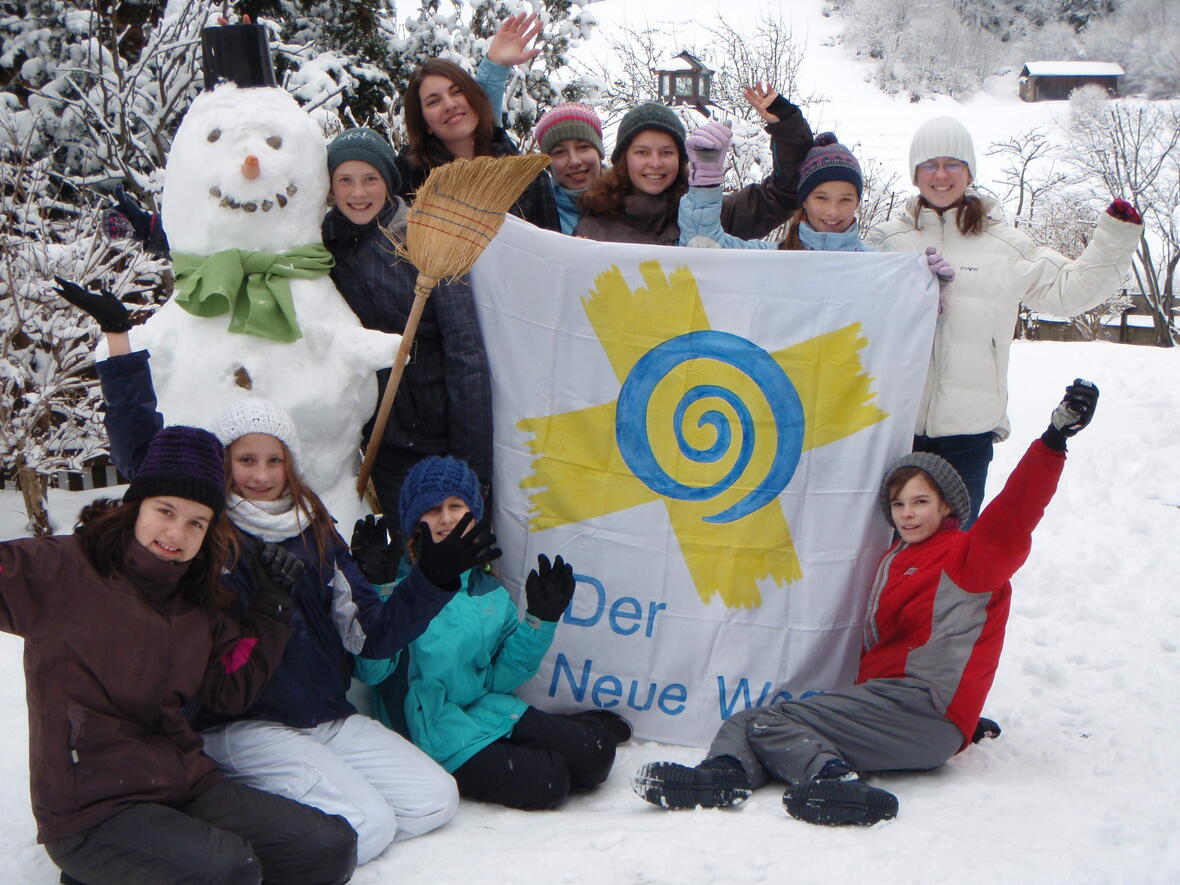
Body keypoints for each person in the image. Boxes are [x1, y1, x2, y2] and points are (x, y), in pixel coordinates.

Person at [53, 282, 494, 867]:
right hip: (243, 720)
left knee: (435, 800)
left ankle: (284, 807)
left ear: (289, 464)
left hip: (322, 713)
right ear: (225, 463)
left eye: (273, 460)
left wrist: (430, 580)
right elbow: (143, 456)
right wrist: (119, 346)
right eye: (246, 459)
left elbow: (373, 635)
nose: (261, 475)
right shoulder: (205, 533)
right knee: (366, 826)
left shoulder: (316, 529)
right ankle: (227, 842)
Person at [633, 379, 1100, 826]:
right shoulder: (898, 559)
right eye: (898, 505)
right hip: (892, 708)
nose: (908, 514)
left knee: (770, 722)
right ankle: (723, 777)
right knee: (750, 721)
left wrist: (1053, 440)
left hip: (920, 711)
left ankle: (833, 782)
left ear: (947, 507)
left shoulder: (967, 559)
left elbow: (1014, 514)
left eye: (920, 502)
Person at [0, 424, 361, 885]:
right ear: (137, 507)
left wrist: (272, 608)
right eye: (165, 511)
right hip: (90, 810)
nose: (176, 533)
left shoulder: (197, 598)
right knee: (229, 870)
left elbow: (231, 688)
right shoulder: (63, 568)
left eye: (196, 522)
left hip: (182, 783)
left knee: (327, 847)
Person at [868, 116, 1143, 523]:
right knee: (883, 553)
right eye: (929, 164)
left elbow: (1071, 291)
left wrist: (1114, 239)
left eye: (953, 164)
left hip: (967, 436)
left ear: (969, 171)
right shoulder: (885, 243)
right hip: (891, 431)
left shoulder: (1005, 246)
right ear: (914, 173)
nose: (940, 175)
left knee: (951, 557)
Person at [350, 456, 633, 810]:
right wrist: (377, 588)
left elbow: (498, 679)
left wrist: (540, 621)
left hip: (483, 707)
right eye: (433, 509)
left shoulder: (487, 590)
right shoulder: (400, 585)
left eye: (456, 506)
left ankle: (579, 730)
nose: (447, 517)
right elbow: (370, 670)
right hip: (430, 726)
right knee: (549, 781)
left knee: (595, 758)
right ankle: (562, 734)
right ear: (413, 522)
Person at [321, 128, 493, 524]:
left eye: (370, 179)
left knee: (446, 545)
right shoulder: (325, 245)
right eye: (345, 180)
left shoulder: (427, 241)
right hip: (374, 435)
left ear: (389, 182)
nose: (358, 192)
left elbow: (465, 351)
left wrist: (473, 466)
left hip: (436, 431)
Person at [574, 85, 813, 246]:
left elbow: (785, 194)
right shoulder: (593, 227)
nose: (655, 163)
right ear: (623, 159)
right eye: (642, 152)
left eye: (666, 152)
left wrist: (787, 128)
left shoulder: (711, 215)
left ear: (681, 158)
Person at [397, 13, 559, 231]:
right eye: (433, 101)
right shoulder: (409, 179)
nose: (449, 104)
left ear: (474, 97)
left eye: (457, 92)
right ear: (424, 121)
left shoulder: (527, 180)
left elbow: (549, 256)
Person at [532, 102, 606, 234]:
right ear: (549, 164)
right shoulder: (537, 213)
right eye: (560, 152)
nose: (574, 161)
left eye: (583, 147)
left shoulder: (632, 202)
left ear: (599, 152)